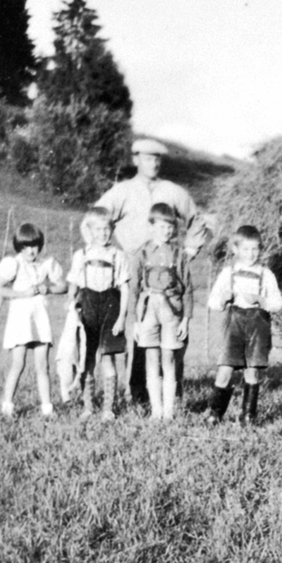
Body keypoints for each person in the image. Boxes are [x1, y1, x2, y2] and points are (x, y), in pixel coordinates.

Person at [94, 138, 211, 403]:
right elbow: (96, 217)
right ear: (136, 159)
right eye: (147, 158)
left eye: (157, 159)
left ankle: (172, 393)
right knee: (141, 326)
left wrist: (188, 252)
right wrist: (110, 253)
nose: (153, 163)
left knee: (173, 328)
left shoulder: (172, 191)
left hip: (168, 273)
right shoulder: (122, 191)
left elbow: (195, 220)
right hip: (134, 267)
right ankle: (137, 393)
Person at [204, 225, 282, 426]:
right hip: (234, 326)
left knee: (252, 371)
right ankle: (215, 413)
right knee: (225, 370)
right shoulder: (228, 273)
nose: (250, 254)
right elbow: (213, 302)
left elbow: (279, 304)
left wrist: (261, 299)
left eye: (255, 249)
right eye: (246, 249)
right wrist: (224, 297)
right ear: (235, 249)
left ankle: (248, 415)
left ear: (260, 249)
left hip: (258, 327)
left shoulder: (265, 274)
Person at [0, 223, 67, 417]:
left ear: (39, 245)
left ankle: (47, 409)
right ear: (19, 247)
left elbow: (63, 286)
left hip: (40, 318)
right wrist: (22, 293)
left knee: (43, 365)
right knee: (18, 364)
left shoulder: (45, 263)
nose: (30, 251)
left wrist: (48, 289)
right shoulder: (14, 264)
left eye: (34, 246)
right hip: (20, 319)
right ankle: (7, 406)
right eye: (25, 247)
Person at [65, 207, 130, 421]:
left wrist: (122, 317)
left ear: (112, 229)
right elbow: (74, 284)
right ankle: (88, 407)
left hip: (111, 307)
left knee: (108, 358)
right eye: (98, 229)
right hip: (88, 307)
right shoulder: (81, 255)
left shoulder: (118, 255)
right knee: (87, 359)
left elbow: (125, 288)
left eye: (107, 229)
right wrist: (70, 303)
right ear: (89, 231)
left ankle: (108, 409)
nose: (103, 233)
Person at [131, 203, 192, 420]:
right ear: (151, 227)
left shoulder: (179, 254)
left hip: (172, 312)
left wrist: (185, 319)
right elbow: (134, 289)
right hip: (148, 312)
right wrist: (135, 322)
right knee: (151, 359)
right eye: (161, 227)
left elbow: (188, 288)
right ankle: (156, 410)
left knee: (169, 359)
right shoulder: (142, 252)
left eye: (170, 227)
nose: (166, 231)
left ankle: (169, 411)